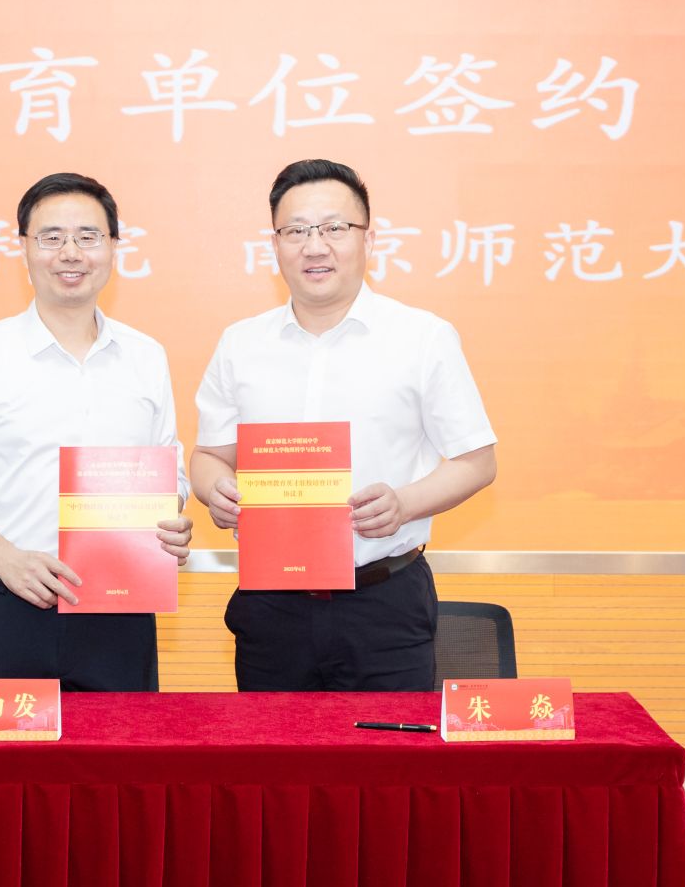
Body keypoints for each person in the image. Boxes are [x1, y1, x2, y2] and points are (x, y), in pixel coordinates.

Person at [191, 159, 497, 691]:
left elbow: (478, 461)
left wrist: (404, 503)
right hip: (271, 606)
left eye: (334, 228)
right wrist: (215, 490)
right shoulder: (241, 344)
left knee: (386, 748)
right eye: (296, 231)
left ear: (368, 239)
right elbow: (209, 456)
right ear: (275, 245)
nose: (315, 246)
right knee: (272, 747)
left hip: (384, 603)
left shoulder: (422, 337)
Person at [0, 172, 191, 691]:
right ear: (24, 248)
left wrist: (170, 517)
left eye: (88, 236)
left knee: (123, 748)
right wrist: (3, 557)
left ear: (114, 247)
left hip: (121, 612)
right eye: (52, 237)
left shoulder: (145, 356)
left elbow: (169, 464)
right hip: (5, 608)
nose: (70, 253)